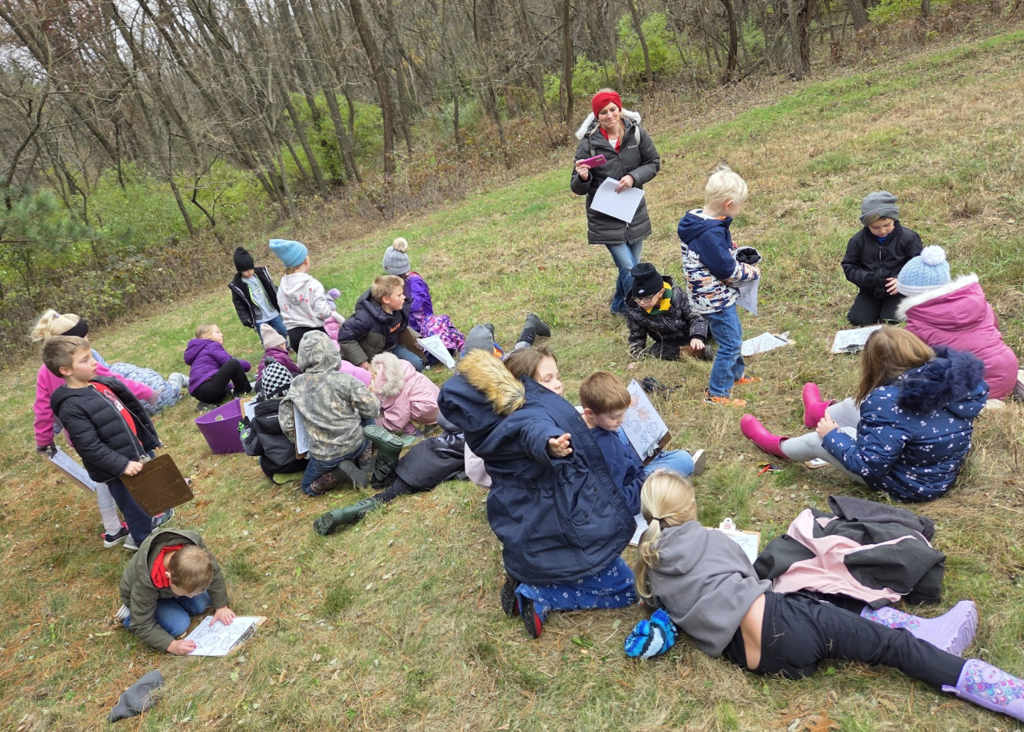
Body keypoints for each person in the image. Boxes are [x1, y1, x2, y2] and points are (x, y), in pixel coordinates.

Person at [626, 470, 1024, 725]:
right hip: (786, 627)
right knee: (891, 646)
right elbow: (749, 575)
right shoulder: (711, 538)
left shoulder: (649, 565)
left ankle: (921, 633)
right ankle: (1011, 695)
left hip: (754, 660)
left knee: (827, 610)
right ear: (690, 507)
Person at [438, 348, 637, 638]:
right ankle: (542, 593)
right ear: (523, 386)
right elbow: (534, 430)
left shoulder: (500, 419)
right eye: (548, 379)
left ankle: (530, 579)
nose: (558, 384)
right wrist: (550, 444)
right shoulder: (528, 418)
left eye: (557, 376)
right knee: (627, 589)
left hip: (527, 530)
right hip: (556, 531)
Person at [740, 327, 988, 502]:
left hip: (910, 483)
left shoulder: (885, 401)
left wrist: (832, 435)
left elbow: (869, 466)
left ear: (875, 365)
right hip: (928, 465)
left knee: (821, 439)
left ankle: (778, 446)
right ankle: (816, 413)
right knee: (854, 406)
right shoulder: (951, 378)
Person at [30, 310, 169, 548]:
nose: (95, 361)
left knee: (120, 484)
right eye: (87, 358)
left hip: (120, 442)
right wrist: (148, 392)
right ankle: (142, 539)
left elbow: (120, 395)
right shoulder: (74, 402)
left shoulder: (93, 381)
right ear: (66, 368)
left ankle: (119, 527)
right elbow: (87, 443)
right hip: (105, 448)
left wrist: (145, 438)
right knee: (122, 489)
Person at [571, 89, 661, 315]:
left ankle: (618, 305)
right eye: (603, 112)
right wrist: (583, 176)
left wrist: (634, 177)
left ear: (620, 109)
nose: (609, 115)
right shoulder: (588, 144)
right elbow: (577, 187)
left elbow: (653, 163)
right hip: (606, 217)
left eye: (613, 109)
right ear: (596, 116)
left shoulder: (636, 134)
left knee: (631, 266)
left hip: (633, 213)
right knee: (630, 268)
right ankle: (639, 312)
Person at [678, 165, 760, 407]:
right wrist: (751, 272)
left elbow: (717, 254)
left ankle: (737, 376)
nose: (740, 209)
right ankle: (717, 394)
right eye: (739, 204)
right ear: (727, 204)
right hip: (714, 298)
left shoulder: (702, 222)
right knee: (730, 343)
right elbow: (726, 270)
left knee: (734, 334)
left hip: (715, 294)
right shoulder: (708, 234)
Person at [896, 246, 1019, 401]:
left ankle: (985, 404)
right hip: (1007, 368)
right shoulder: (980, 303)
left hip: (970, 382)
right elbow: (995, 329)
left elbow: (911, 360)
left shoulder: (917, 325)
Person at [579, 371, 703, 515]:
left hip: (628, 460)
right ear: (590, 413)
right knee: (684, 460)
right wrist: (646, 482)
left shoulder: (582, 421)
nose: (622, 420)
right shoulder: (607, 453)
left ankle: (657, 458)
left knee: (622, 433)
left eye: (624, 413)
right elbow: (619, 502)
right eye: (615, 417)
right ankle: (673, 468)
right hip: (637, 480)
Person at [279, 331, 380, 497]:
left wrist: (303, 443)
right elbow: (372, 409)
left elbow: (287, 423)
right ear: (332, 352)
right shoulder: (344, 379)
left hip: (324, 456)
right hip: (356, 443)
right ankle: (365, 459)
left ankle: (336, 475)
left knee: (307, 488)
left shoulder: (296, 385)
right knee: (368, 418)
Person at [115, 528, 234, 655]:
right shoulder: (146, 579)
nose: (191, 596)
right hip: (142, 596)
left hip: (169, 590)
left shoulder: (198, 554)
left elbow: (214, 574)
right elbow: (142, 624)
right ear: (168, 577)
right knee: (179, 624)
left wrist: (221, 606)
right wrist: (171, 645)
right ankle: (130, 615)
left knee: (202, 603)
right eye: (187, 593)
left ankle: (177, 599)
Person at [842, 191, 923, 326]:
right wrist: (866, 278)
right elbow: (849, 266)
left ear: (894, 220)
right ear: (867, 225)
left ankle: (901, 304)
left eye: (887, 225)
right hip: (870, 290)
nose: (882, 231)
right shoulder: (857, 241)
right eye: (876, 227)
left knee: (891, 319)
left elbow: (918, 264)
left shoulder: (909, 238)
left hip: (898, 290)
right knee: (858, 320)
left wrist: (902, 281)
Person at [382, 237, 465, 355]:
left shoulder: (414, 282)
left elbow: (415, 306)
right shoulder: (401, 282)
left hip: (423, 324)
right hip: (410, 323)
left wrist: (397, 302)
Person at [270, 238, 345, 352]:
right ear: (305, 260)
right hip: (316, 335)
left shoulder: (282, 287)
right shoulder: (313, 285)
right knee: (329, 365)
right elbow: (322, 313)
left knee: (308, 368)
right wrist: (329, 308)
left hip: (294, 337)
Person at [338, 274, 425, 373]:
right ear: (386, 299)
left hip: (390, 349)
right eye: (399, 295)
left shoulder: (399, 310)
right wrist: (362, 363)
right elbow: (345, 338)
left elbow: (402, 327)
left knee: (416, 364)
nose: (404, 297)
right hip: (370, 356)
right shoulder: (364, 318)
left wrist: (417, 338)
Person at [625, 262, 709, 362]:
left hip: (690, 330)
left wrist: (697, 336)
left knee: (711, 321)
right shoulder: (635, 311)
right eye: (637, 299)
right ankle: (691, 351)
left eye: (646, 299)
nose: (641, 303)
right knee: (655, 351)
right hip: (669, 341)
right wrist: (636, 359)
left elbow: (695, 316)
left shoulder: (677, 295)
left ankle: (700, 343)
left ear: (661, 292)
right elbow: (637, 336)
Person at [368, 351, 439, 435]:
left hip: (428, 407)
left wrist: (374, 423)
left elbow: (398, 416)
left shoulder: (388, 387)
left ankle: (412, 433)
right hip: (438, 400)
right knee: (408, 396)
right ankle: (432, 423)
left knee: (396, 407)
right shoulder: (389, 369)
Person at [184, 324, 252, 408]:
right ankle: (244, 392)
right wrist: (247, 365)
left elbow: (216, 375)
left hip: (200, 392)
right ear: (206, 337)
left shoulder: (199, 350)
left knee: (228, 391)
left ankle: (207, 403)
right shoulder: (211, 345)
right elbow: (228, 361)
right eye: (217, 332)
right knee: (233, 363)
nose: (221, 334)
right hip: (207, 387)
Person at [228, 246, 287, 342]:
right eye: (246, 270)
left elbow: (272, 288)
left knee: (283, 331)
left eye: (251, 268)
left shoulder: (262, 274)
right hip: (259, 318)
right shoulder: (237, 285)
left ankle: (285, 345)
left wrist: (281, 299)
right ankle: (273, 352)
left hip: (272, 312)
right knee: (267, 339)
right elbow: (238, 304)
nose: (249, 272)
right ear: (240, 270)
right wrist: (246, 318)